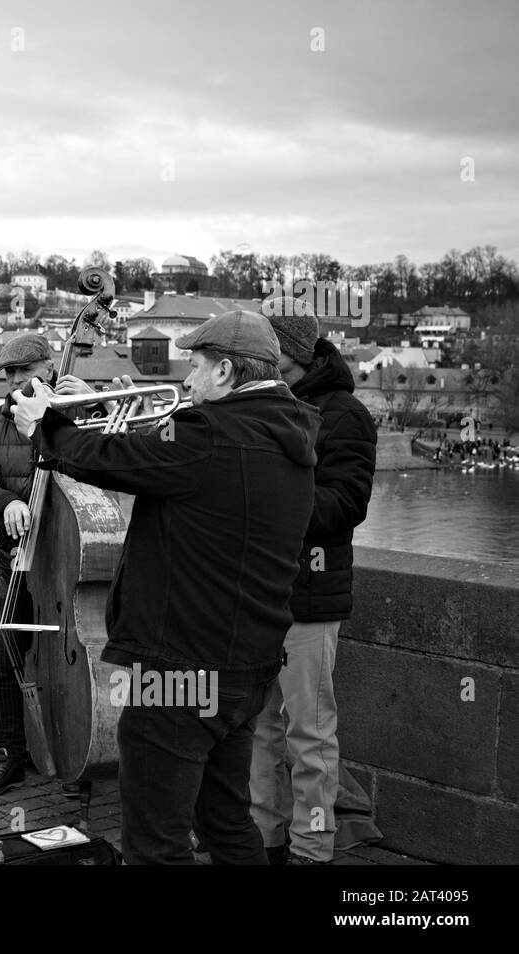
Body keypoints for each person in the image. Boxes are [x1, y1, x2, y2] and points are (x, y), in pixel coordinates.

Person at [10, 310, 319, 864]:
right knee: (225, 821)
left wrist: (46, 425)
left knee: (156, 839)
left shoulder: (212, 433)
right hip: (248, 663)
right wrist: (114, 412)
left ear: (225, 371)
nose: (186, 383)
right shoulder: (289, 435)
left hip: (181, 666)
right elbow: (164, 466)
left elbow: (113, 461)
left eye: (196, 368)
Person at [251, 297, 377, 865]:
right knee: (257, 734)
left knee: (310, 736)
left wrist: (272, 498)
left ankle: (312, 848)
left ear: (295, 357)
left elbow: (346, 505)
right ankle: (264, 840)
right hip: (255, 594)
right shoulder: (262, 403)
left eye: (272, 361)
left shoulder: (347, 414)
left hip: (309, 598)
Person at [0, 331, 91, 796]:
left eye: (27, 370)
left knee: (80, 667)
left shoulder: (79, 412)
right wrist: (4, 503)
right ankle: (10, 756)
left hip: (69, 565)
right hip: (17, 562)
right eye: (11, 373)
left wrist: (91, 408)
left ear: (49, 368)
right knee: (6, 659)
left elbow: (119, 460)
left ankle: (82, 755)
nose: (19, 380)